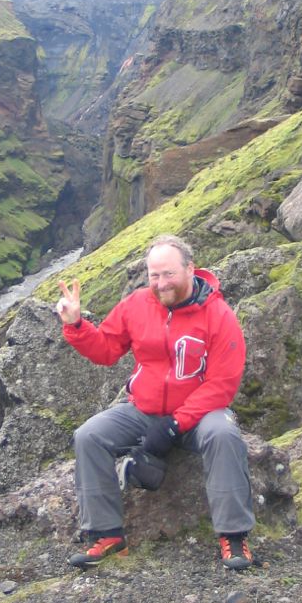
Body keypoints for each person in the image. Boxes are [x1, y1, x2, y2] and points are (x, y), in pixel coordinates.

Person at [56, 233, 255, 570]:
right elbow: (106, 350)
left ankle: (234, 537)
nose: (161, 284)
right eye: (154, 275)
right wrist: (77, 325)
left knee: (223, 435)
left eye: (169, 274)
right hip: (143, 411)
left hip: (200, 415)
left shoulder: (218, 315)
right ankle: (106, 535)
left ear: (190, 269)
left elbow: (223, 383)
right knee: (89, 435)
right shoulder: (136, 304)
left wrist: (176, 424)